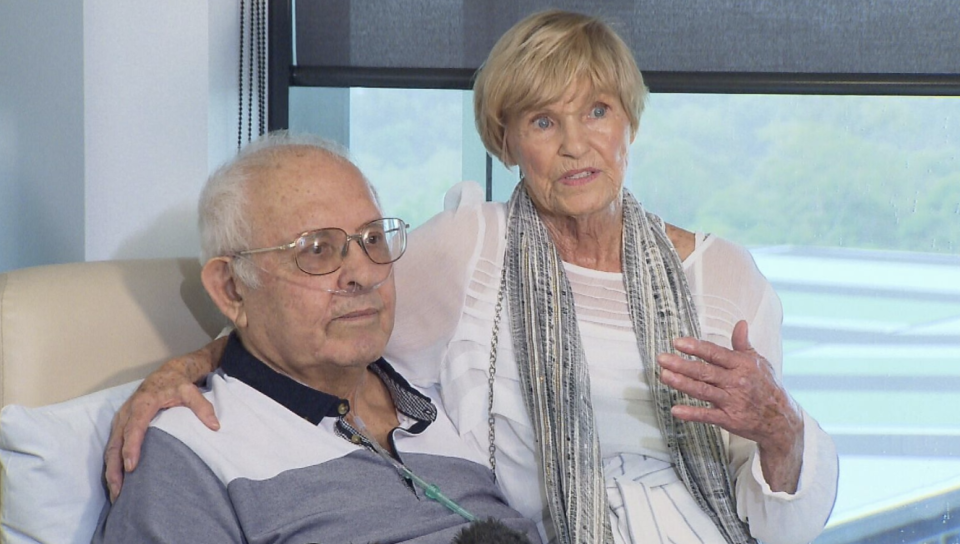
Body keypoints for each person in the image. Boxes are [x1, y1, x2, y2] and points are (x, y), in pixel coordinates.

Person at [105, 10, 839, 544]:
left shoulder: (727, 278)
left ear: (630, 123)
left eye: (597, 111)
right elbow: (319, 317)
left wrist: (781, 424)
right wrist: (193, 363)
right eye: (543, 122)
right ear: (507, 139)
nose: (576, 143)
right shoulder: (467, 249)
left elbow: (783, 515)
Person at [92, 134, 540, 543]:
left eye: (372, 238)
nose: (363, 274)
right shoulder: (188, 456)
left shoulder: (446, 393)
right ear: (232, 289)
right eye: (316, 249)